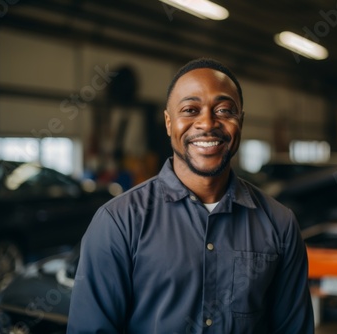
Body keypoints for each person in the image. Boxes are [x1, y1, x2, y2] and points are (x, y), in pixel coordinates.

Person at [67, 58, 314, 333]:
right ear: (169, 123)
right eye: (190, 110)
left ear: (240, 122)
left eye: (223, 110)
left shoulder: (279, 224)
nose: (207, 123)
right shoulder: (118, 223)